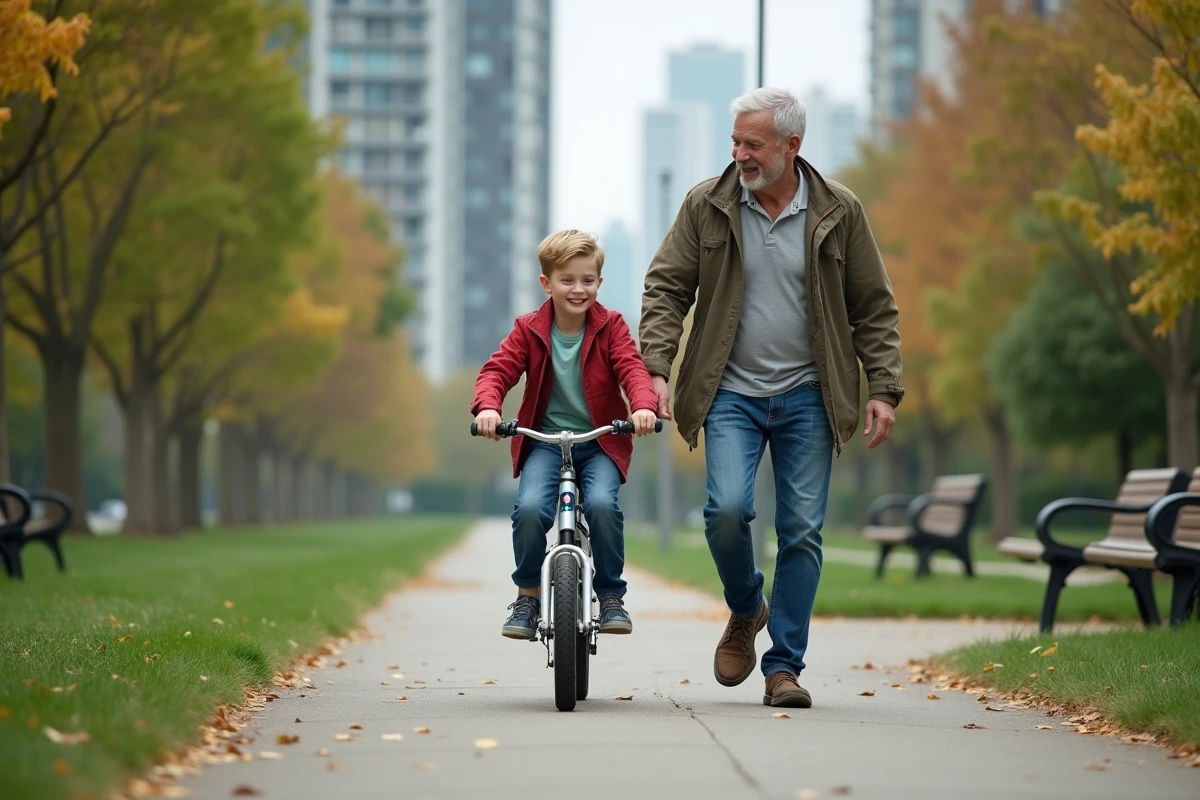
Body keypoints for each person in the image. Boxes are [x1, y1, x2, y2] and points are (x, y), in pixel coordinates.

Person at [639, 87, 904, 708]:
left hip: (811, 393)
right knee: (727, 511)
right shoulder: (706, 204)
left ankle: (784, 667)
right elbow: (666, 288)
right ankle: (745, 607)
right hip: (729, 390)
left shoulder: (840, 210)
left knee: (802, 532)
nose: (739, 154)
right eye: (734, 142)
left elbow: (874, 306)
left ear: (792, 145)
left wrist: (884, 387)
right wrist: (656, 367)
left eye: (752, 143)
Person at [473, 229, 659, 641]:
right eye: (567, 280)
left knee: (601, 505)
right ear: (547, 283)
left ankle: (611, 595)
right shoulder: (528, 328)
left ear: (599, 282)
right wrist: (488, 407)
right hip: (544, 441)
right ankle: (527, 596)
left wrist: (643, 404)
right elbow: (497, 371)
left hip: (600, 441)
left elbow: (632, 368)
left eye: (588, 280)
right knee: (531, 508)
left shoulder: (611, 326)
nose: (578, 289)